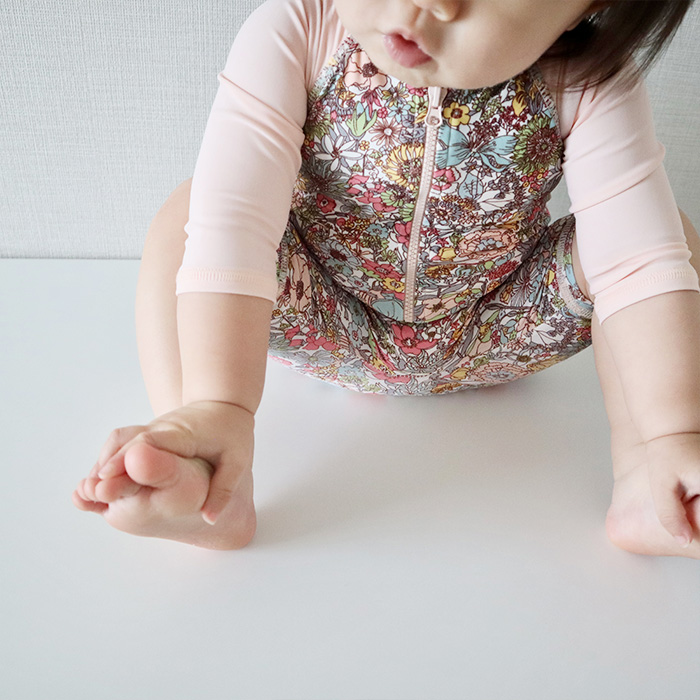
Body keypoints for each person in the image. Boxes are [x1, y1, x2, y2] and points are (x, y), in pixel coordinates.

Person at [72, 0, 700, 556]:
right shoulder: (299, 30)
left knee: (662, 236)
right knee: (189, 216)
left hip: (501, 325)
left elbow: (637, 264)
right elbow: (235, 226)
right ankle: (203, 448)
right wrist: (222, 399)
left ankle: (653, 473)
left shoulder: (588, 81)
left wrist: (675, 423)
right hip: (325, 314)